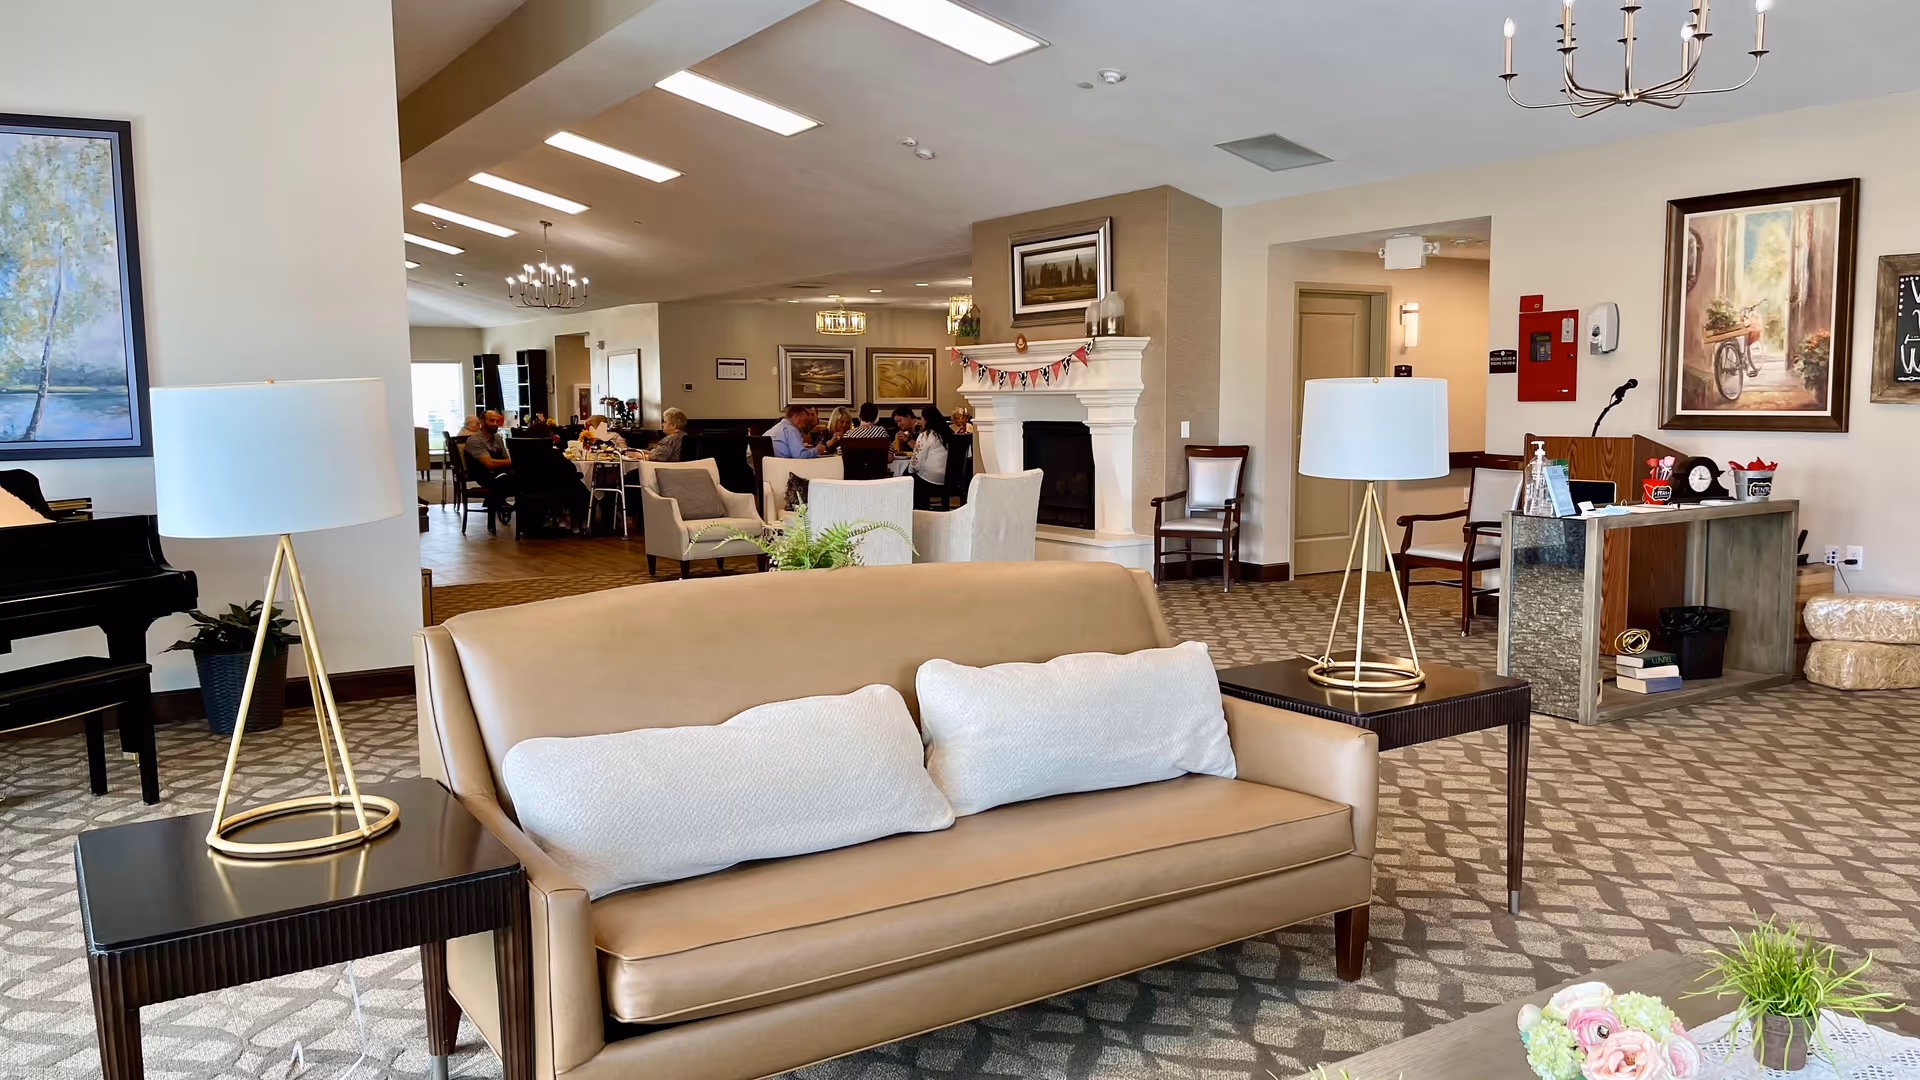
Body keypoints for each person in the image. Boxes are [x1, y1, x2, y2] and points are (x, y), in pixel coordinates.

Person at [463, 410, 515, 515]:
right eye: (491, 421)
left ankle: (494, 500)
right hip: (484, 475)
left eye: (497, 421)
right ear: (482, 422)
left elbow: (505, 458)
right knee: (523, 481)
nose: (495, 424)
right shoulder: (474, 440)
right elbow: (489, 464)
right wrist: (514, 462)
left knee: (530, 477)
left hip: (500, 473)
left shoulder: (498, 438)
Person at [908, 405, 953, 507]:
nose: (921, 422)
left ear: (927, 420)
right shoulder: (949, 434)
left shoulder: (926, 435)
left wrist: (909, 471)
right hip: (950, 480)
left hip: (932, 480)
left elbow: (916, 463)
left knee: (908, 477)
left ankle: (919, 511)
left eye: (922, 419)